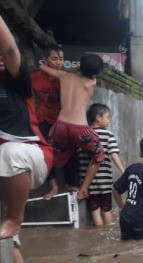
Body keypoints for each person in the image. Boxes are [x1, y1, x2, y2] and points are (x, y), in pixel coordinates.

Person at [0, 14, 53, 263]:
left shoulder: (18, 84)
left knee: (9, 153)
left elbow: (9, 49)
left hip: (30, 158)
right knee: (10, 244)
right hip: (5, 174)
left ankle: (14, 217)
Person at [40, 53, 105, 199]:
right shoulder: (91, 83)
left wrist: (75, 69)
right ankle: (83, 189)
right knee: (99, 155)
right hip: (80, 128)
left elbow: (43, 67)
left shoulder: (64, 76)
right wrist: (80, 69)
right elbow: (92, 75)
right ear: (95, 73)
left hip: (60, 125)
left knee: (50, 154)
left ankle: (54, 187)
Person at [32, 45, 79, 200]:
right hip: (44, 119)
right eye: (54, 58)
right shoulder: (35, 77)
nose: (59, 62)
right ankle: (53, 186)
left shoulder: (66, 77)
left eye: (61, 59)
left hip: (64, 120)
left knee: (72, 149)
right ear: (45, 60)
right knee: (44, 151)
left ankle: (70, 183)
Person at [79, 103, 125, 226]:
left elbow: (79, 157)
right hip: (105, 183)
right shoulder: (108, 135)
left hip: (89, 183)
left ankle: (99, 232)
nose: (109, 120)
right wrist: (123, 171)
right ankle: (107, 234)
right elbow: (114, 155)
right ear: (98, 118)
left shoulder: (84, 135)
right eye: (107, 117)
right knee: (106, 210)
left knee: (95, 211)